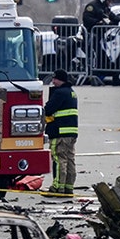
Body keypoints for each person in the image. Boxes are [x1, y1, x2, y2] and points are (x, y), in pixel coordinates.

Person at [44, 68, 79, 196]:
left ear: (61, 80)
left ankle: (57, 187)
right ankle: (68, 187)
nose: (53, 81)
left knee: (59, 159)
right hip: (71, 132)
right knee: (70, 159)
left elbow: (48, 109)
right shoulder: (71, 92)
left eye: (55, 79)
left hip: (60, 132)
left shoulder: (60, 93)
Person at [81, 0, 120, 76]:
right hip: (91, 34)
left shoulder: (105, 7)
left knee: (106, 52)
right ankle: (96, 72)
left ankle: (107, 72)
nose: (110, 2)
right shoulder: (92, 6)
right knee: (99, 52)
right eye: (109, 0)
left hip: (101, 34)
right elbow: (86, 18)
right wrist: (98, 22)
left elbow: (111, 16)